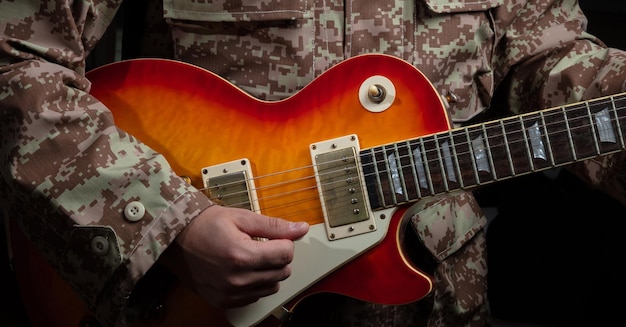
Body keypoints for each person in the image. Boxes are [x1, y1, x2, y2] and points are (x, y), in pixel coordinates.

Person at [1, 0, 625, 326]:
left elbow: (552, 58)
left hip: (432, 305)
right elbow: (14, 59)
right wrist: (165, 228)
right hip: (197, 303)